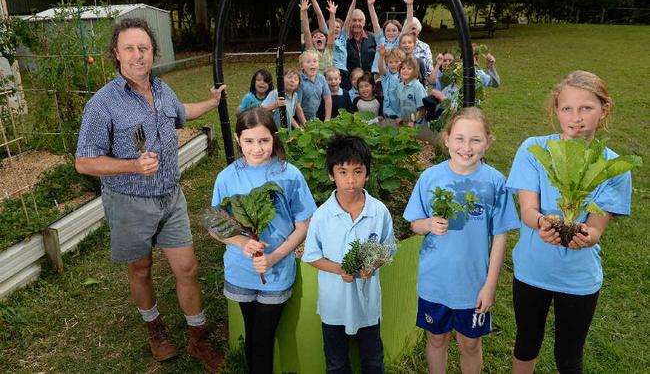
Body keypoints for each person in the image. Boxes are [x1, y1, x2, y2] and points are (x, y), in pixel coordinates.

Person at [75, 17, 225, 371]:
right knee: (141, 269)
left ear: (153, 53)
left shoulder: (162, 90)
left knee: (187, 268)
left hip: (170, 197)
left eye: (143, 48)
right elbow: (84, 161)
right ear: (116, 53)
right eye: (129, 48)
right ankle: (155, 328)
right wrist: (132, 166)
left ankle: (198, 337)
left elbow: (181, 114)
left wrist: (211, 101)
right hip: (128, 200)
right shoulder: (103, 104)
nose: (138, 55)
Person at [506, 71, 633, 374]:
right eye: (567, 109)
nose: (576, 118)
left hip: (578, 279)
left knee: (569, 355)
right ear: (556, 111)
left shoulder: (613, 166)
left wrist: (587, 235)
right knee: (525, 343)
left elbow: (595, 228)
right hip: (532, 270)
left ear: (604, 110)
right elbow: (528, 211)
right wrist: (542, 223)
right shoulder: (533, 148)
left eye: (586, 108)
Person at [403, 107, 519, 373]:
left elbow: (500, 238)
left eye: (475, 140)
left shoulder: (495, 182)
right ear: (446, 139)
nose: (466, 147)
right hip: (435, 283)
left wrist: (489, 286)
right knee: (436, 339)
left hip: (473, 286)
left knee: (469, 344)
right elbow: (414, 225)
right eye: (459, 138)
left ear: (488, 141)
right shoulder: (430, 178)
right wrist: (428, 224)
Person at [210, 107, 317, 374]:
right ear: (238, 140)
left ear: (274, 138)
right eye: (249, 141)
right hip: (241, 271)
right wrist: (241, 243)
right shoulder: (227, 177)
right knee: (252, 333)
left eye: (264, 140)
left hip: (276, 271)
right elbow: (214, 225)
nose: (256, 148)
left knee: (262, 337)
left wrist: (274, 257)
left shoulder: (289, 174)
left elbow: (303, 224)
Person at [303, 134, 396, 374]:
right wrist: (338, 269)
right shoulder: (323, 215)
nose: (351, 180)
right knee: (336, 363)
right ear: (331, 174)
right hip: (333, 305)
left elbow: (388, 246)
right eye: (342, 172)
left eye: (357, 171)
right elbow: (312, 255)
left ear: (368, 173)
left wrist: (373, 265)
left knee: (373, 361)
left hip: (368, 306)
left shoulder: (379, 212)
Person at [366, 0, 402, 74]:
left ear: (399, 32)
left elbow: (409, 24)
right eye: (388, 30)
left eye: (394, 30)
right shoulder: (380, 39)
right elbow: (375, 22)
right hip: (378, 72)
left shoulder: (399, 41)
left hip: (394, 73)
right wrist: (370, 5)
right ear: (384, 32)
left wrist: (409, 5)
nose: (391, 32)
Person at [300, 0, 337, 73]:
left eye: (321, 36)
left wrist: (332, 14)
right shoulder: (311, 50)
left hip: (329, 80)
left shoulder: (329, 49)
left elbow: (331, 32)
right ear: (312, 41)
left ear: (326, 40)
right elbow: (306, 31)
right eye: (315, 36)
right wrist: (304, 12)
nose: (318, 37)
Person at [262, 67, 306, 133]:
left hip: (287, 134)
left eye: (296, 79)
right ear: (281, 80)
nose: (292, 80)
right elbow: (261, 109)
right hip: (274, 133)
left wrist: (298, 128)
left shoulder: (295, 96)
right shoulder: (275, 93)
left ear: (298, 84)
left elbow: (289, 116)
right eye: (289, 77)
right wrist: (275, 105)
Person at [345, 0, 377, 73]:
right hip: (349, 81)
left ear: (364, 22)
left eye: (360, 20)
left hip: (369, 80)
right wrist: (354, 0)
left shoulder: (373, 38)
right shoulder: (344, 39)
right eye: (354, 20)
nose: (357, 23)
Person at [299, 49, 333, 121]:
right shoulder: (299, 80)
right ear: (302, 66)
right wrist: (304, 123)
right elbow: (297, 105)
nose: (312, 64)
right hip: (299, 117)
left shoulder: (321, 78)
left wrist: (327, 118)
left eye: (315, 61)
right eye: (308, 62)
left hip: (314, 116)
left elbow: (327, 98)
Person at [395, 56, 427, 126]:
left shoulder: (417, 87)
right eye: (403, 68)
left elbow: (423, 108)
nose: (405, 70)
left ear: (415, 71)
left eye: (409, 69)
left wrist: (414, 121)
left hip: (418, 124)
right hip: (406, 123)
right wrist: (401, 118)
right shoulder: (399, 86)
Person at [377, 45, 405, 120]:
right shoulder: (387, 74)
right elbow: (380, 68)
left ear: (402, 62)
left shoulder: (404, 74)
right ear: (387, 63)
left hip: (402, 107)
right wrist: (381, 56)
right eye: (390, 62)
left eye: (396, 62)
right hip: (389, 108)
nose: (393, 64)